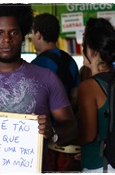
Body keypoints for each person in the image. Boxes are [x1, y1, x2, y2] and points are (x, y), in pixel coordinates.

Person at [0, 4, 78, 172]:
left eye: (14, 32)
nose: (7, 39)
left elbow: (71, 127)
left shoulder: (47, 78)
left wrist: (52, 132)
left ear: (23, 36)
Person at [30, 13, 82, 171]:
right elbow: (75, 96)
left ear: (38, 34)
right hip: (67, 135)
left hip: (45, 137)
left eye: (32, 33)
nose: (31, 38)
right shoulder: (70, 60)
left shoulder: (37, 65)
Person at [72, 18, 115, 172]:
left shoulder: (88, 87)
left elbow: (88, 134)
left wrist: (65, 141)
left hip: (98, 165)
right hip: (113, 162)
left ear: (93, 52)